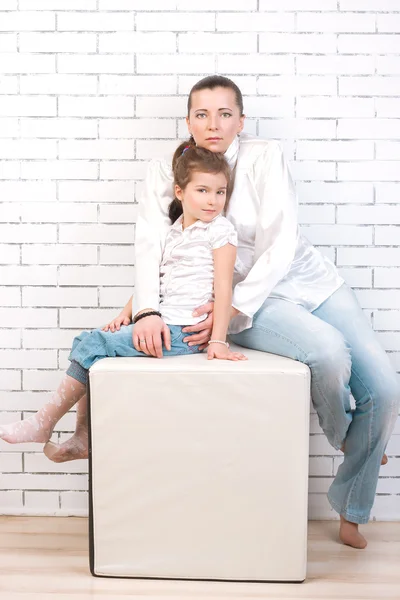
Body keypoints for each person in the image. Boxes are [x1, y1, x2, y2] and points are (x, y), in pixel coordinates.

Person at [17, 74, 399, 550]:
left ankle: (353, 498)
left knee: (384, 388)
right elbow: (150, 243)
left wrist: (234, 304)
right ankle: (346, 439)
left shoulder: (264, 156)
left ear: (241, 120)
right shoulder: (167, 169)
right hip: (249, 301)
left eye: (224, 114)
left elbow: (281, 239)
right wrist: (148, 312)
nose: (213, 124)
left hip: (303, 279)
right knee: (327, 352)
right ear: (188, 121)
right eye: (202, 114)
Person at [0, 147, 247, 457]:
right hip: (164, 320)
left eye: (220, 192)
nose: (213, 200)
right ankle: (82, 436)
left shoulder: (221, 231)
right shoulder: (172, 234)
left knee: (92, 344)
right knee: (95, 345)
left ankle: (43, 423)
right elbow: (155, 281)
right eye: (203, 190)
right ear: (180, 192)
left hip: (183, 329)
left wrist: (219, 341)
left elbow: (224, 288)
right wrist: (126, 314)